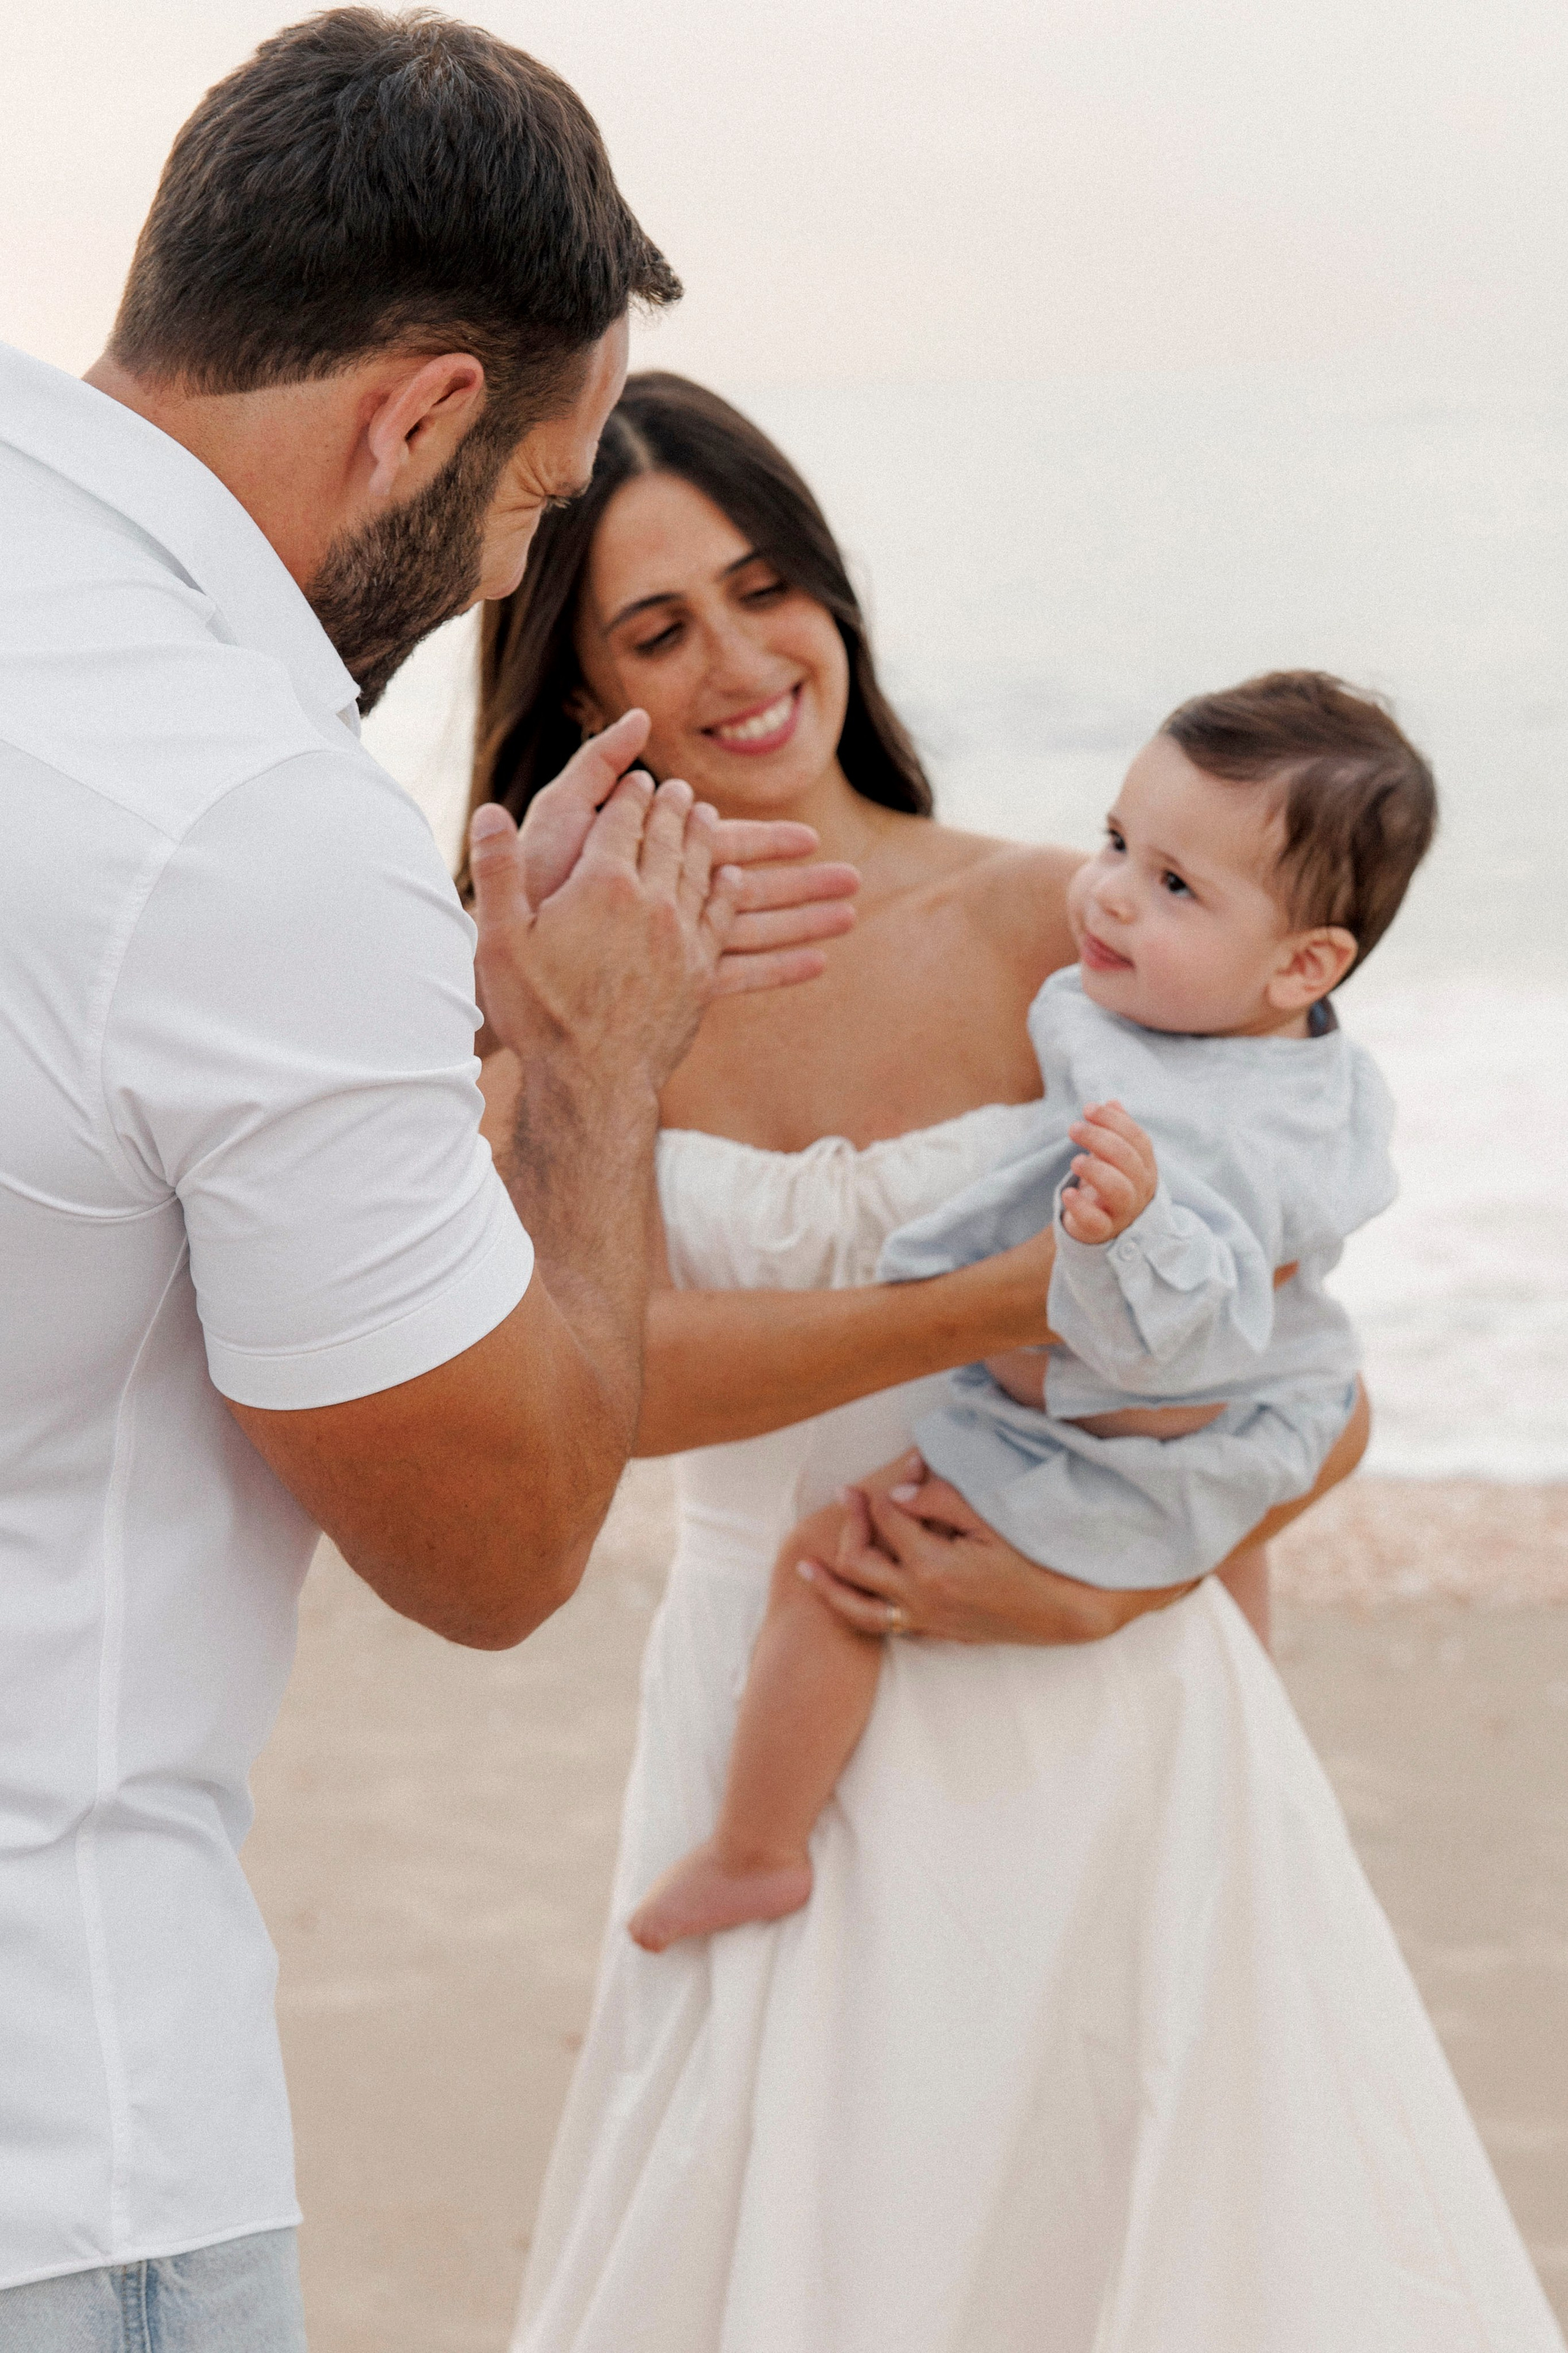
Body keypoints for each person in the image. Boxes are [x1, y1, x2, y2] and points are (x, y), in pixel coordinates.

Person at [475, 374, 1563, 2351]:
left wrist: (1100, 1588)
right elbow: (599, 1384)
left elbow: (1302, 1379)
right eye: (657, 629)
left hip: (1097, 1707)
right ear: (574, 690)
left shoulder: (1065, 939)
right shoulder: (554, 993)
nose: (740, 660)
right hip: (766, 1703)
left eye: (766, 584)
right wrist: (989, 1311)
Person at [0, 18, 856, 2350]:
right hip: (58, 2145)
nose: (506, 570)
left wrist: (418, 1037)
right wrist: (587, 1072)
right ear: (418, 414)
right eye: (530, 505)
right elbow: (488, 1545)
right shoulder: (245, 818)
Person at [626, 670, 1434, 1951]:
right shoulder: (1253, 1032)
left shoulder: (1179, 1106)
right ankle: (1251, 1730)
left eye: (1173, 884)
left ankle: (753, 1848)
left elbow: (1201, 1293)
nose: (1110, 891)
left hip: (1088, 1441)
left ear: (1302, 962)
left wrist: (1123, 1235)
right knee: (1229, 1548)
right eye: (1118, 841)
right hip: (1212, 1425)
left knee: (826, 1571)